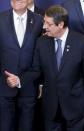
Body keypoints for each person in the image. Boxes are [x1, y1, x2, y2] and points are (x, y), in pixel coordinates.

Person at [5, 5, 84, 131]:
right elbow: (36, 70)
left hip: (75, 105)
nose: (44, 26)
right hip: (51, 106)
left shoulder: (82, 42)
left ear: (61, 24)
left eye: (48, 24)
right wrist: (19, 80)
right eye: (44, 22)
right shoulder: (42, 42)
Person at [0, 0, 43, 131]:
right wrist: (5, 75)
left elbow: (42, 54)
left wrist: (25, 80)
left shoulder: (39, 20)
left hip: (29, 84)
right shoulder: (0, 19)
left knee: (27, 126)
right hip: (4, 85)